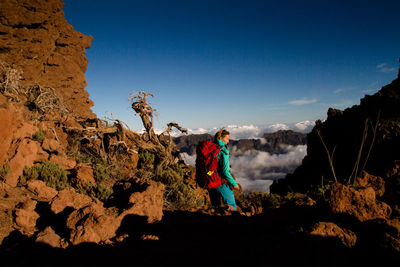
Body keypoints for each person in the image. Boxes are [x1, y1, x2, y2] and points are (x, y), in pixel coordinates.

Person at [209, 128, 240, 211]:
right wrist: (234, 184)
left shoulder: (210, 148)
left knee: (216, 208)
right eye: (227, 138)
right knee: (232, 206)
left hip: (211, 182)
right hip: (220, 183)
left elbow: (210, 167)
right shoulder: (223, 151)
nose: (228, 141)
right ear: (220, 138)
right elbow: (225, 172)